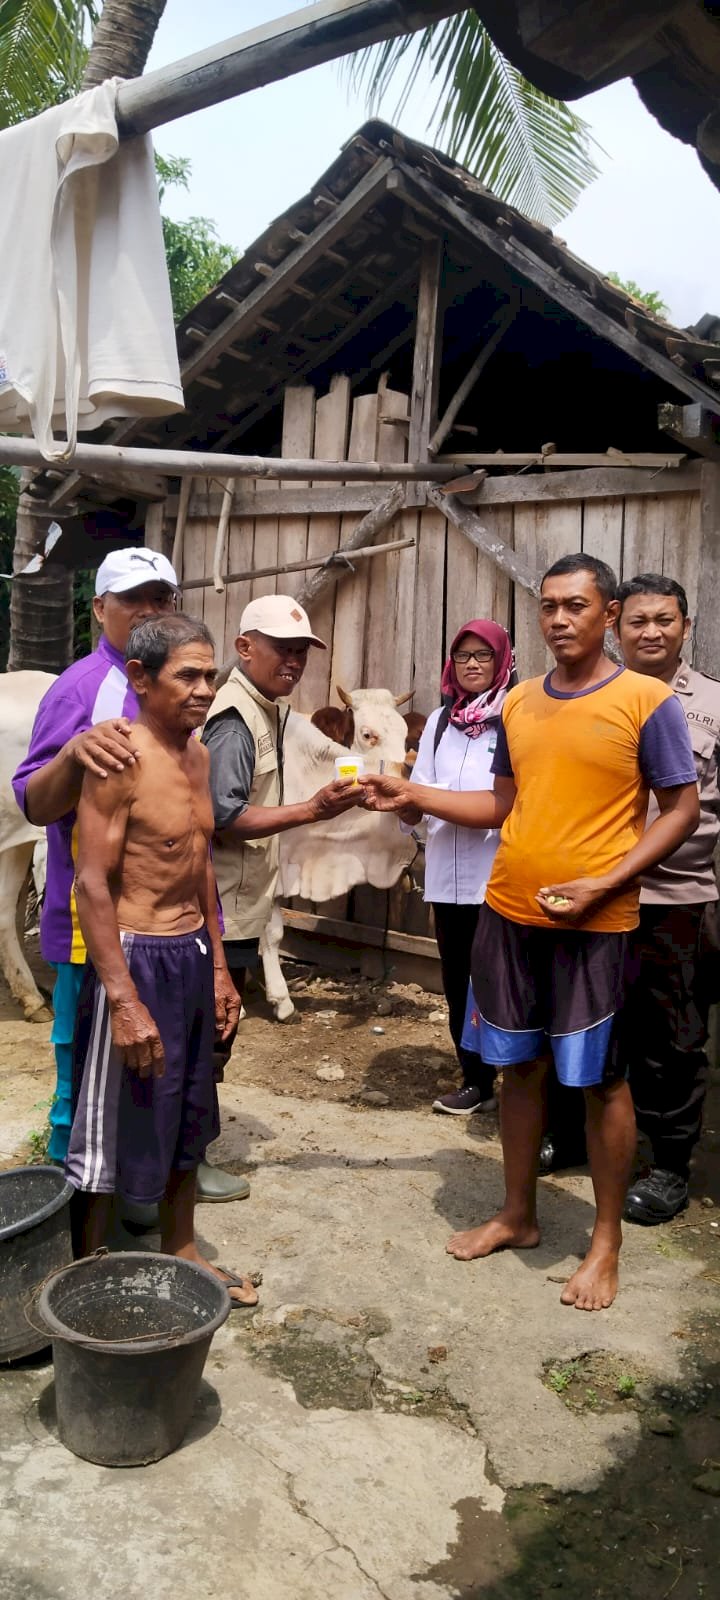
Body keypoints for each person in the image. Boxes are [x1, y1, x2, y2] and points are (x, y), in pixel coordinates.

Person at [363, 553, 699, 1311]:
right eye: (548, 606)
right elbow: (501, 806)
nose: (558, 619)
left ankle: (604, 1242)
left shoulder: (648, 702)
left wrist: (605, 881)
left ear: (607, 614)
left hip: (598, 923)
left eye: (575, 605)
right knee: (517, 1069)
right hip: (508, 911)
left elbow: (681, 809)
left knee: (603, 1080)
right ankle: (517, 1214)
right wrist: (411, 790)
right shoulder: (517, 703)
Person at [11, 548, 247, 1204]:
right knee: (83, 1080)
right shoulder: (80, 687)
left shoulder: (187, 698)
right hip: (103, 923)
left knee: (169, 1074)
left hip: (181, 930)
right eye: (132, 599)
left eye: (161, 598)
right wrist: (71, 752)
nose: (148, 610)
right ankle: (69, 1213)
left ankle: (161, 1194)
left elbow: (194, 836)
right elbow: (32, 800)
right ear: (99, 610)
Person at [65, 613, 258, 1306]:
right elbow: (91, 882)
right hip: (136, 955)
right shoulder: (119, 760)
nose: (205, 688)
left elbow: (199, 861)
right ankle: (86, 1272)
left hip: (191, 952)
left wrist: (216, 966)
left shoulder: (199, 754)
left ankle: (182, 1249)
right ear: (141, 679)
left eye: (210, 675)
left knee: (189, 1108)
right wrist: (123, 998)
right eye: (189, 675)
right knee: (111, 1123)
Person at [615, 573, 720, 1223]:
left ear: (685, 627)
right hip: (593, 898)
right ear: (616, 627)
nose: (651, 632)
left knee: (672, 1039)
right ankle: (578, 1138)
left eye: (665, 620)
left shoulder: (712, 705)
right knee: (587, 1023)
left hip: (675, 897)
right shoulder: (590, 696)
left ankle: (668, 1166)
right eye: (638, 621)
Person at [201, 594, 362, 1008]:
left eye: (300, 651)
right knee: (213, 1034)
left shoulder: (270, 709)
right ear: (245, 648)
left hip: (239, 902)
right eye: (282, 649)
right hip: (223, 908)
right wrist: (312, 809)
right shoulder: (237, 721)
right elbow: (225, 815)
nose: (294, 662)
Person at [402, 619, 514, 1115]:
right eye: (463, 655)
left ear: (502, 661)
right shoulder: (440, 722)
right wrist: (403, 806)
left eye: (483, 656)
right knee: (457, 981)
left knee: (502, 983)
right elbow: (422, 791)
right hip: (447, 880)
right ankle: (476, 1081)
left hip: (498, 877)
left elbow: (510, 799)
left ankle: (525, 1083)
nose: (472, 664)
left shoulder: (515, 716)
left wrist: (425, 798)